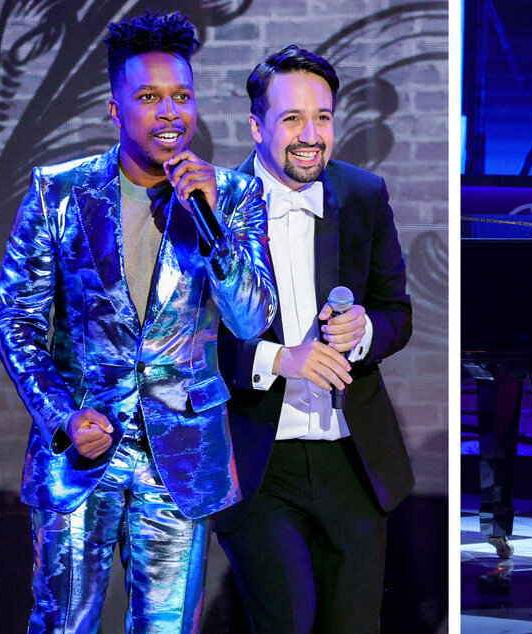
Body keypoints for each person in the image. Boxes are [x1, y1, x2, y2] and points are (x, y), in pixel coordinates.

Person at [0, 11, 277, 632]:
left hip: (179, 451)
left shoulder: (231, 196)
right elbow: (15, 320)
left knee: (169, 625)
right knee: (65, 622)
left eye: (181, 96)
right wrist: (62, 415)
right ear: (115, 110)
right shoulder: (56, 192)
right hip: (81, 447)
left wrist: (212, 227)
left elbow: (251, 319)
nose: (169, 112)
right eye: (148, 98)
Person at [214, 46, 414, 633]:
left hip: (352, 460)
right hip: (258, 462)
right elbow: (186, 341)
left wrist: (366, 330)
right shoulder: (214, 207)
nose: (311, 135)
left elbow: (397, 312)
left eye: (322, 117)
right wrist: (281, 358)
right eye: (292, 118)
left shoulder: (362, 194)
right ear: (257, 126)